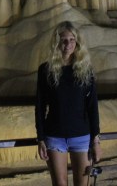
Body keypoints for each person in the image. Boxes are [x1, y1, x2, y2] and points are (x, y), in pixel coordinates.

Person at [35, 21, 102, 186]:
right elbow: (40, 106)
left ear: (77, 42)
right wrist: (40, 139)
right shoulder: (46, 70)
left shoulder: (85, 70)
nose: (68, 44)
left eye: (72, 39)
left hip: (81, 137)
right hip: (54, 137)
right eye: (64, 40)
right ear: (57, 42)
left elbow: (92, 106)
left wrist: (96, 141)